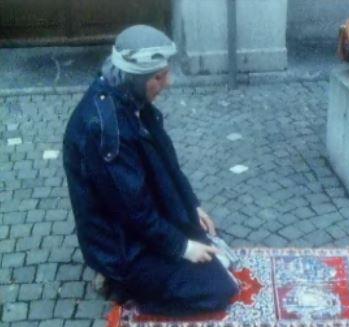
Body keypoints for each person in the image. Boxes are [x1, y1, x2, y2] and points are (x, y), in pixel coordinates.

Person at [62, 25, 239, 316]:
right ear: (137, 79)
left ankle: (166, 257)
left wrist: (191, 205)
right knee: (218, 289)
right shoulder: (105, 132)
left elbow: (167, 162)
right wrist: (183, 247)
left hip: (135, 216)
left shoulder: (127, 96)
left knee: (210, 244)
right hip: (121, 247)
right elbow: (132, 213)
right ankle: (122, 287)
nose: (167, 82)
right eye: (159, 77)